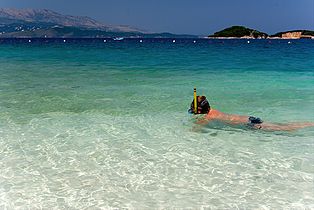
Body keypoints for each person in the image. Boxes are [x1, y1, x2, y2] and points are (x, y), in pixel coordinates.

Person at [191, 97, 314, 131]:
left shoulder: (209, 116)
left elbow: (197, 128)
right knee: (284, 126)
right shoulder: (213, 111)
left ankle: (310, 125)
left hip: (250, 124)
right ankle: (310, 123)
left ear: (200, 111)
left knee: (287, 128)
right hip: (249, 119)